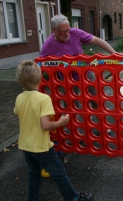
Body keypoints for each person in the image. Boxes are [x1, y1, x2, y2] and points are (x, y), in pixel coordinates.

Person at [14, 60, 94, 201]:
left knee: (33, 174)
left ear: (20, 82)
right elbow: (45, 125)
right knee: (59, 173)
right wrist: (61, 122)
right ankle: (73, 197)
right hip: (41, 147)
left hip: (25, 146)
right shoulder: (43, 99)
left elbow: (19, 114)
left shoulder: (19, 98)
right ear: (40, 78)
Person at [40, 14, 116, 57]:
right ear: (54, 30)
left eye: (68, 30)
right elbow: (40, 64)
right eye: (63, 32)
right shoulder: (48, 44)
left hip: (85, 71)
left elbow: (97, 40)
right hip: (65, 78)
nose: (67, 34)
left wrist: (114, 54)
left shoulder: (76, 33)